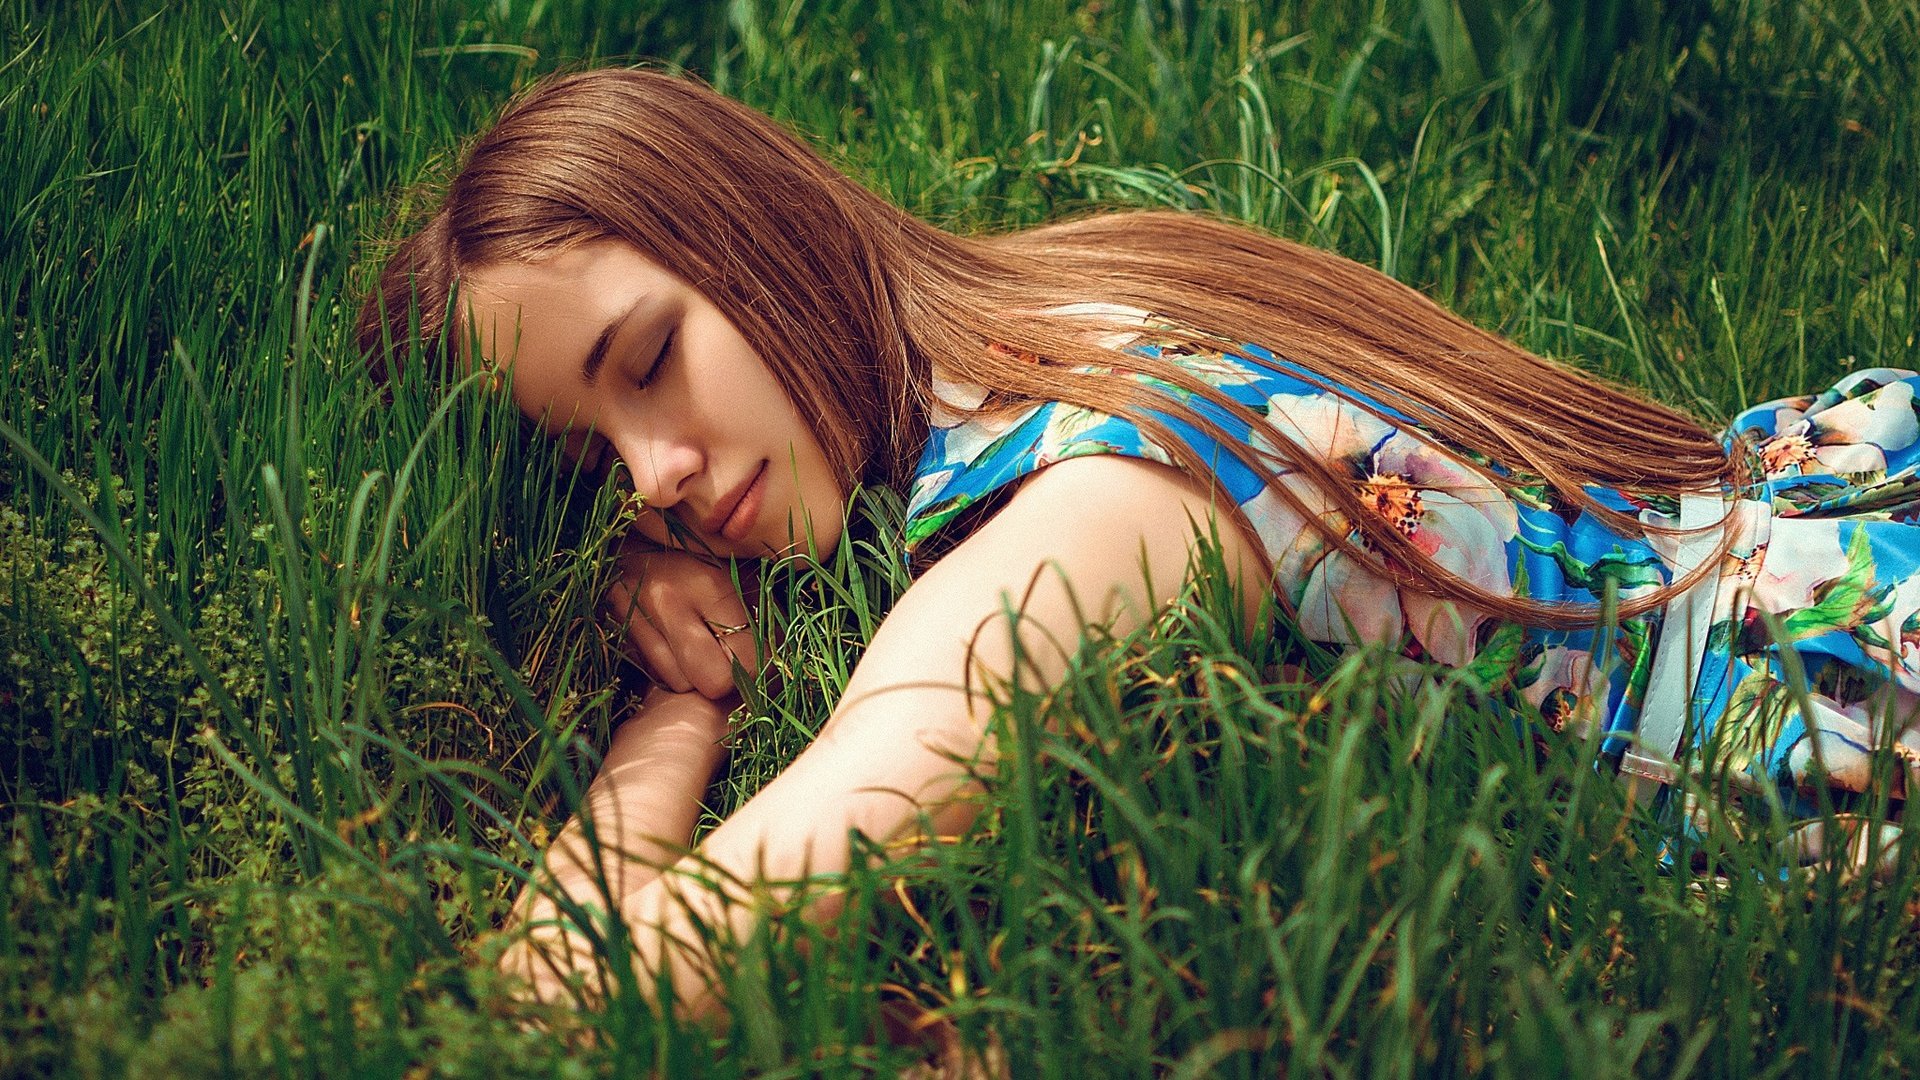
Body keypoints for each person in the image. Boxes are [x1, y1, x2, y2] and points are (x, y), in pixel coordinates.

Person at [358, 66, 1920, 1014]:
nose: (662, 475)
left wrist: (672, 711)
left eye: (649, 364)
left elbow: (579, 996)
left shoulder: (1082, 532)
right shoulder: (1064, 305)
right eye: (593, 454)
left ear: (752, 234)